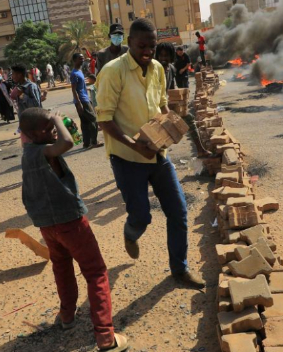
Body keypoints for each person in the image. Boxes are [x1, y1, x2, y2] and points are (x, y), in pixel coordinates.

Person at [96, 19, 205, 288]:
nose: (147, 51)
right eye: (142, 45)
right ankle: (131, 232)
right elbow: (105, 120)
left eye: (152, 46)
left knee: (178, 212)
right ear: (130, 42)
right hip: (126, 157)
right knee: (142, 216)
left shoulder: (158, 68)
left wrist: (173, 126)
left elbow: (163, 106)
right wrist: (136, 146)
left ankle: (180, 270)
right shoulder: (113, 72)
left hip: (158, 154)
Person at [18, 107, 129, 352]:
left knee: (62, 266)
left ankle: (67, 317)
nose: (54, 132)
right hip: (70, 222)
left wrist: (46, 125)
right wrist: (57, 119)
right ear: (34, 134)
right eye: (48, 129)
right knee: (96, 272)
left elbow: (32, 132)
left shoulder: (27, 152)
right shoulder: (44, 151)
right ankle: (105, 336)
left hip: (48, 226)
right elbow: (68, 142)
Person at [71, 53, 103, 150]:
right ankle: (94, 142)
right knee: (93, 119)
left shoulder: (79, 71)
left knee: (85, 122)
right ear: (75, 60)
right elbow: (74, 89)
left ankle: (86, 143)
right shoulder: (74, 74)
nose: (82, 60)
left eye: (83, 58)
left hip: (84, 99)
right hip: (82, 101)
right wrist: (79, 103)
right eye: (80, 59)